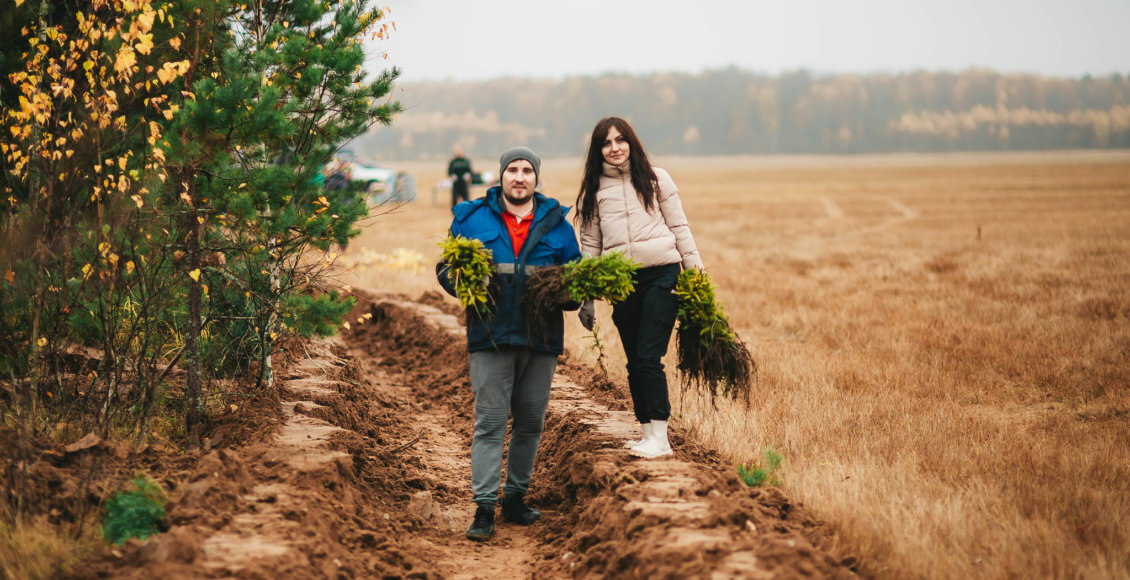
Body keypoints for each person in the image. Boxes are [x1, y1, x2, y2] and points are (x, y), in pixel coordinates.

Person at [436, 146, 582, 542]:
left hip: (541, 339)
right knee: (490, 423)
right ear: (501, 176)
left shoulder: (557, 225)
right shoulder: (470, 219)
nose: (520, 177)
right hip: (491, 337)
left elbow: (574, 277)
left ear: (536, 178)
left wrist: (572, 296)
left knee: (531, 422)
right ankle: (484, 508)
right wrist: (463, 282)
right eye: (512, 170)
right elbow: (446, 268)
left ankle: (515, 499)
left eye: (527, 171)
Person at [574, 117, 704, 459]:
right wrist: (586, 296)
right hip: (623, 282)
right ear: (598, 150)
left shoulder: (656, 178)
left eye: (621, 140)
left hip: (663, 275)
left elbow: (680, 227)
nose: (615, 148)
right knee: (634, 360)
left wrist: (697, 277)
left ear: (631, 142)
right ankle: (647, 433)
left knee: (648, 356)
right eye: (607, 143)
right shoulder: (594, 189)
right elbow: (590, 245)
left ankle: (661, 438)